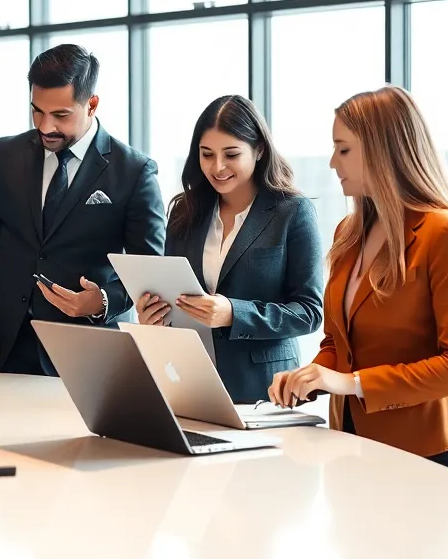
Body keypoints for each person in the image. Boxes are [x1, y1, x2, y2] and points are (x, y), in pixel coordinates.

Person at [268, 85, 448, 475]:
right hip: (351, 444)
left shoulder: (447, 235)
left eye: (344, 149)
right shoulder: (348, 233)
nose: (333, 162)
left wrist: (349, 382)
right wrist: (311, 377)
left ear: (384, 150)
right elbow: (339, 342)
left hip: (428, 454)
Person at [0, 44, 166, 376]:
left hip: (88, 354)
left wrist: (102, 301)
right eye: (37, 111)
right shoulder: (5, 154)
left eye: (60, 115)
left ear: (92, 104)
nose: (45, 127)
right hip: (6, 346)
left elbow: (150, 270)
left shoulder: (133, 171)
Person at [136, 95, 324, 403]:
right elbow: (174, 293)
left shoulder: (292, 212)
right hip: (189, 382)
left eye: (231, 154)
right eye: (206, 154)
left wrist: (235, 313)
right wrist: (154, 315)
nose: (217, 167)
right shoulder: (186, 211)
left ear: (259, 149)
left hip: (264, 391)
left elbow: (309, 312)